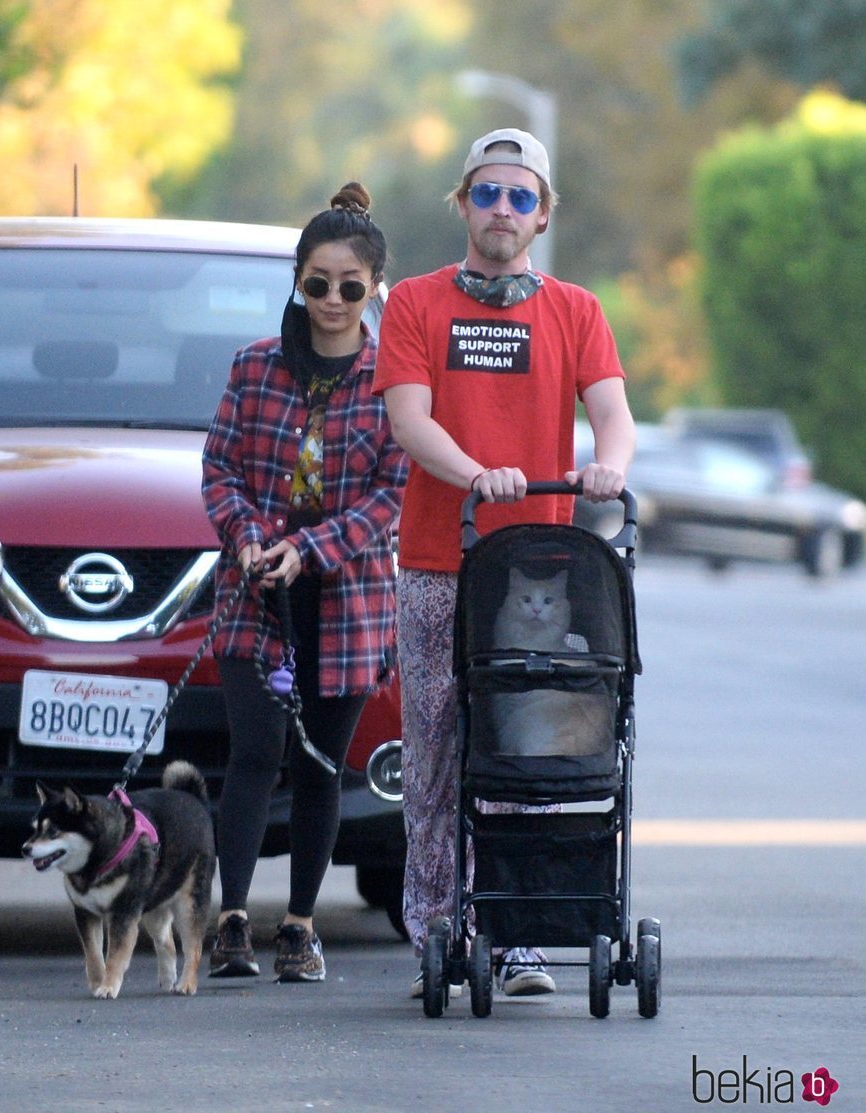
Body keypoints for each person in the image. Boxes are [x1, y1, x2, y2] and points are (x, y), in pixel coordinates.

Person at [372, 128, 636, 998]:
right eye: (487, 193)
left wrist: (611, 467)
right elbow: (410, 420)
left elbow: (613, 412)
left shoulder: (575, 310)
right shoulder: (415, 303)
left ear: (542, 214)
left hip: (536, 569)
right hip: (440, 564)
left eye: (521, 197)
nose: (502, 210)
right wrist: (474, 472)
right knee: (437, 757)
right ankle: (437, 934)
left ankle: (517, 933)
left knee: (523, 754)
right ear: (462, 203)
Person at [201, 183, 407, 983]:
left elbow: (394, 492)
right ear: (297, 278)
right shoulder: (254, 366)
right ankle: (231, 921)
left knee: (323, 764)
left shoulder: (393, 379)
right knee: (254, 752)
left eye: (349, 287)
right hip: (255, 594)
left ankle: (299, 925)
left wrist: (311, 547)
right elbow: (219, 468)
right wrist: (251, 539)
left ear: (373, 290)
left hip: (348, 601)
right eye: (316, 283)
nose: (330, 300)